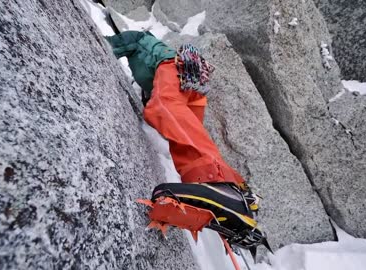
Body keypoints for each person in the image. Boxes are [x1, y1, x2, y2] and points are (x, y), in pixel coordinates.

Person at [106, 31, 266, 250]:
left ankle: (221, 186)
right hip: (192, 89)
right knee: (186, 139)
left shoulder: (144, 41)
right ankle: (225, 191)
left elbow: (114, 44)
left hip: (174, 68)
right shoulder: (154, 72)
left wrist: (98, 44)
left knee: (163, 107)